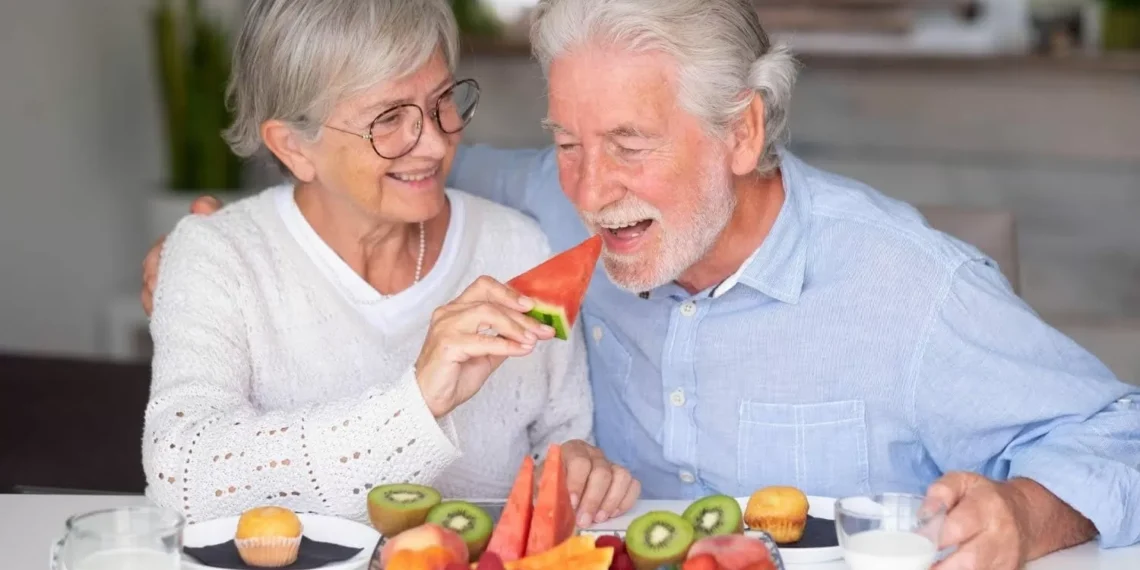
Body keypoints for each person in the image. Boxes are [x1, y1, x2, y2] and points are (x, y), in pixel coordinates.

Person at [143, 0, 1140, 565]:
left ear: (743, 131)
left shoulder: (912, 291)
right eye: (567, 143)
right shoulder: (536, 206)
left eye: (629, 145)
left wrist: (1026, 516)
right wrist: (220, 249)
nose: (590, 191)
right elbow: (406, 182)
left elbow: (1117, 438)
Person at [139, 0, 640, 526]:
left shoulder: (519, 245)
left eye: (442, 100)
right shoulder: (217, 256)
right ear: (293, 148)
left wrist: (577, 469)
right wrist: (418, 402)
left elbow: (561, 435)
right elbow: (181, 473)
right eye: (389, 118)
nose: (434, 142)